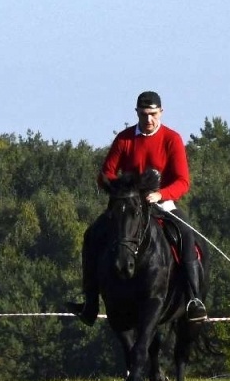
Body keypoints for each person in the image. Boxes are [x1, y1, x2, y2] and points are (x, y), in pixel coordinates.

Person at [78, 90, 206, 325]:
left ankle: (194, 300)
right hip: (128, 205)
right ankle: (90, 301)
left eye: (153, 114)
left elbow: (182, 181)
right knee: (92, 235)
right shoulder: (125, 139)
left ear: (161, 113)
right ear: (136, 113)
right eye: (144, 114)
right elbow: (106, 172)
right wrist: (122, 190)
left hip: (161, 203)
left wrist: (160, 193)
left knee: (187, 235)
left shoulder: (172, 139)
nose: (149, 120)